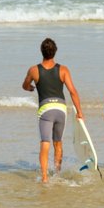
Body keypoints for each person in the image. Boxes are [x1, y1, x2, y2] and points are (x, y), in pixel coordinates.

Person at [22, 38, 85, 183]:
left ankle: (44, 178)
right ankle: (57, 173)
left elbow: (25, 85)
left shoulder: (34, 70)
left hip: (45, 110)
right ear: (55, 51)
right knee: (58, 143)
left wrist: (31, 87)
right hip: (61, 109)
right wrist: (80, 112)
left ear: (41, 51)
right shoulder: (63, 69)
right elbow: (73, 91)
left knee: (45, 142)